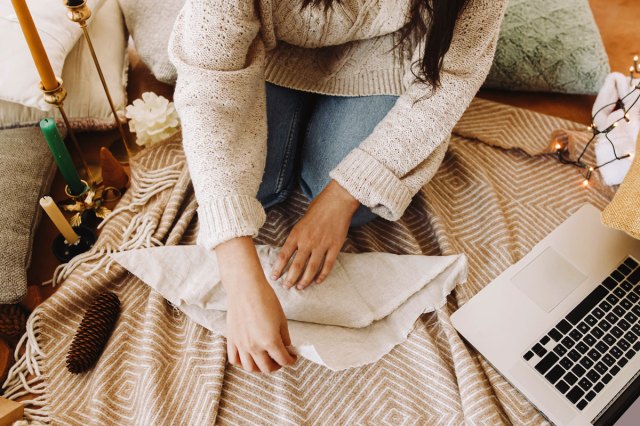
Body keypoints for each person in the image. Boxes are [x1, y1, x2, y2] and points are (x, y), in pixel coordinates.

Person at [168, 0, 507, 374]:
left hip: (386, 52)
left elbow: (449, 81)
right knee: (250, 188)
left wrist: (342, 196)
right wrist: (241, 282)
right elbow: (208, 90)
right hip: (267, 49)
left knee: (363, 205)